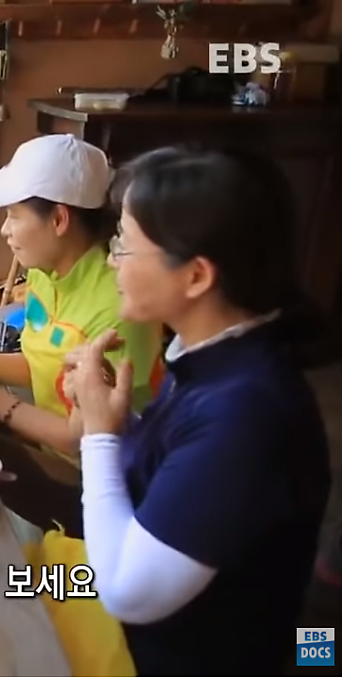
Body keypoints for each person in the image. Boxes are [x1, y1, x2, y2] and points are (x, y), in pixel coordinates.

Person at [67, 146, 329, 675]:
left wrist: (98, 435)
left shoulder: (248, 412)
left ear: (195, 276)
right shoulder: (212, 357)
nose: (112, 260)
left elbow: (127, 591)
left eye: (124, 244)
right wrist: (119, 423)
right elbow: (184, 460)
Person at [0, 134, 165, 537]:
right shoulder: (45, 274)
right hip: (51, 445)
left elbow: (82, 438)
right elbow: (40, 362)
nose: (5, 230)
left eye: (13, 215)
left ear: (58, 220)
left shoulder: (117, 307)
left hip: (104, 486)